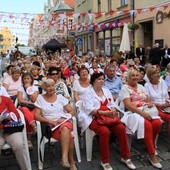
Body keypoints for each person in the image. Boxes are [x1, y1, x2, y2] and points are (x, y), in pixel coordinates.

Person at [78, 72, 136, 170]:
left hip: (108, 118)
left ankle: (125, 157)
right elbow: (90, 110)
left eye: (102, 79)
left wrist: (113, 109)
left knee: (121, 128)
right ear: (93, 81)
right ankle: (105, 161)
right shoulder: (87, 93)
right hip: (94, 118)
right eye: (99, 79)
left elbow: (112, 104)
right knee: (104, 131)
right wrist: (105, 113)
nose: (101, 81)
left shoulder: (106, 90)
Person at [119, 68, 162, 169]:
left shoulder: (141, 87)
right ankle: (152, 155)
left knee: (157, 123)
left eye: (136, 75)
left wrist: (150, 103)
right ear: (128, 77)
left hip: (146, 110)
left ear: (139, 77)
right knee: (146, 124)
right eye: (132, 76)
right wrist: (142, 113)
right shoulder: (125, 88)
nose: (134, 77)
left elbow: (148, 99)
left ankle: (149, 143)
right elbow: (128, 105)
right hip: (132, 113)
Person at [34, 79, 76, 170]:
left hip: (63, 122)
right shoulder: (40, 98)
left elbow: (72, 111)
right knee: (70, 136)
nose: (51, 88)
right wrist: (50, 121)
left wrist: (65, 117)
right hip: (51, 127)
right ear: (44, 88)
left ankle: (64, 158)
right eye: (48, 86)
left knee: (65, 126)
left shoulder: (60, 97)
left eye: (52, 85)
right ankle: (71, 161)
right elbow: (36, 116)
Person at [0, 95, 31, 170]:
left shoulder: (6, 99)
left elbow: (16, 115)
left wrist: (9, 116)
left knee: (19, 144)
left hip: (10, 128)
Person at [144, 65, 170, 136]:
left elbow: (167, 96)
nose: (158, 74)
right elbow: (148, 101)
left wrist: (167, 102)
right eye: (155, 73)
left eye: (158, 72)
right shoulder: (147, 85)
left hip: (166, 106)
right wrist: (160, 105)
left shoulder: (163, 82)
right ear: (150, 76)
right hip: (155, 108)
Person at [17, 73, 38, 149]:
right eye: (24, 78)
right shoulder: (20, 87)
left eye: (28, 78)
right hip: (23, 107)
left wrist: (28, 89)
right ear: (22, 80)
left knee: (30, 116)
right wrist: (29, 102)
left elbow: (34, 99)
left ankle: (28, 139)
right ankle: (34, 127)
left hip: (33, 108)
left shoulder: (35, 88)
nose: (26, 80)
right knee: (25, 110)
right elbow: (20, 100)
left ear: (31, 79)